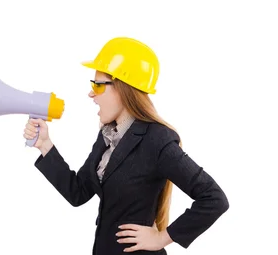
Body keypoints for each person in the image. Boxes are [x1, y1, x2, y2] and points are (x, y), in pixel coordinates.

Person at [23, 37, 229, 254]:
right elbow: (78, 193)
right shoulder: (107, 135)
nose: (91, 93)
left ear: (122, 88)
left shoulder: (157, 139)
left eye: (98, 85)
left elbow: (214, 199)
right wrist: (45, 145)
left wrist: (162, 238)